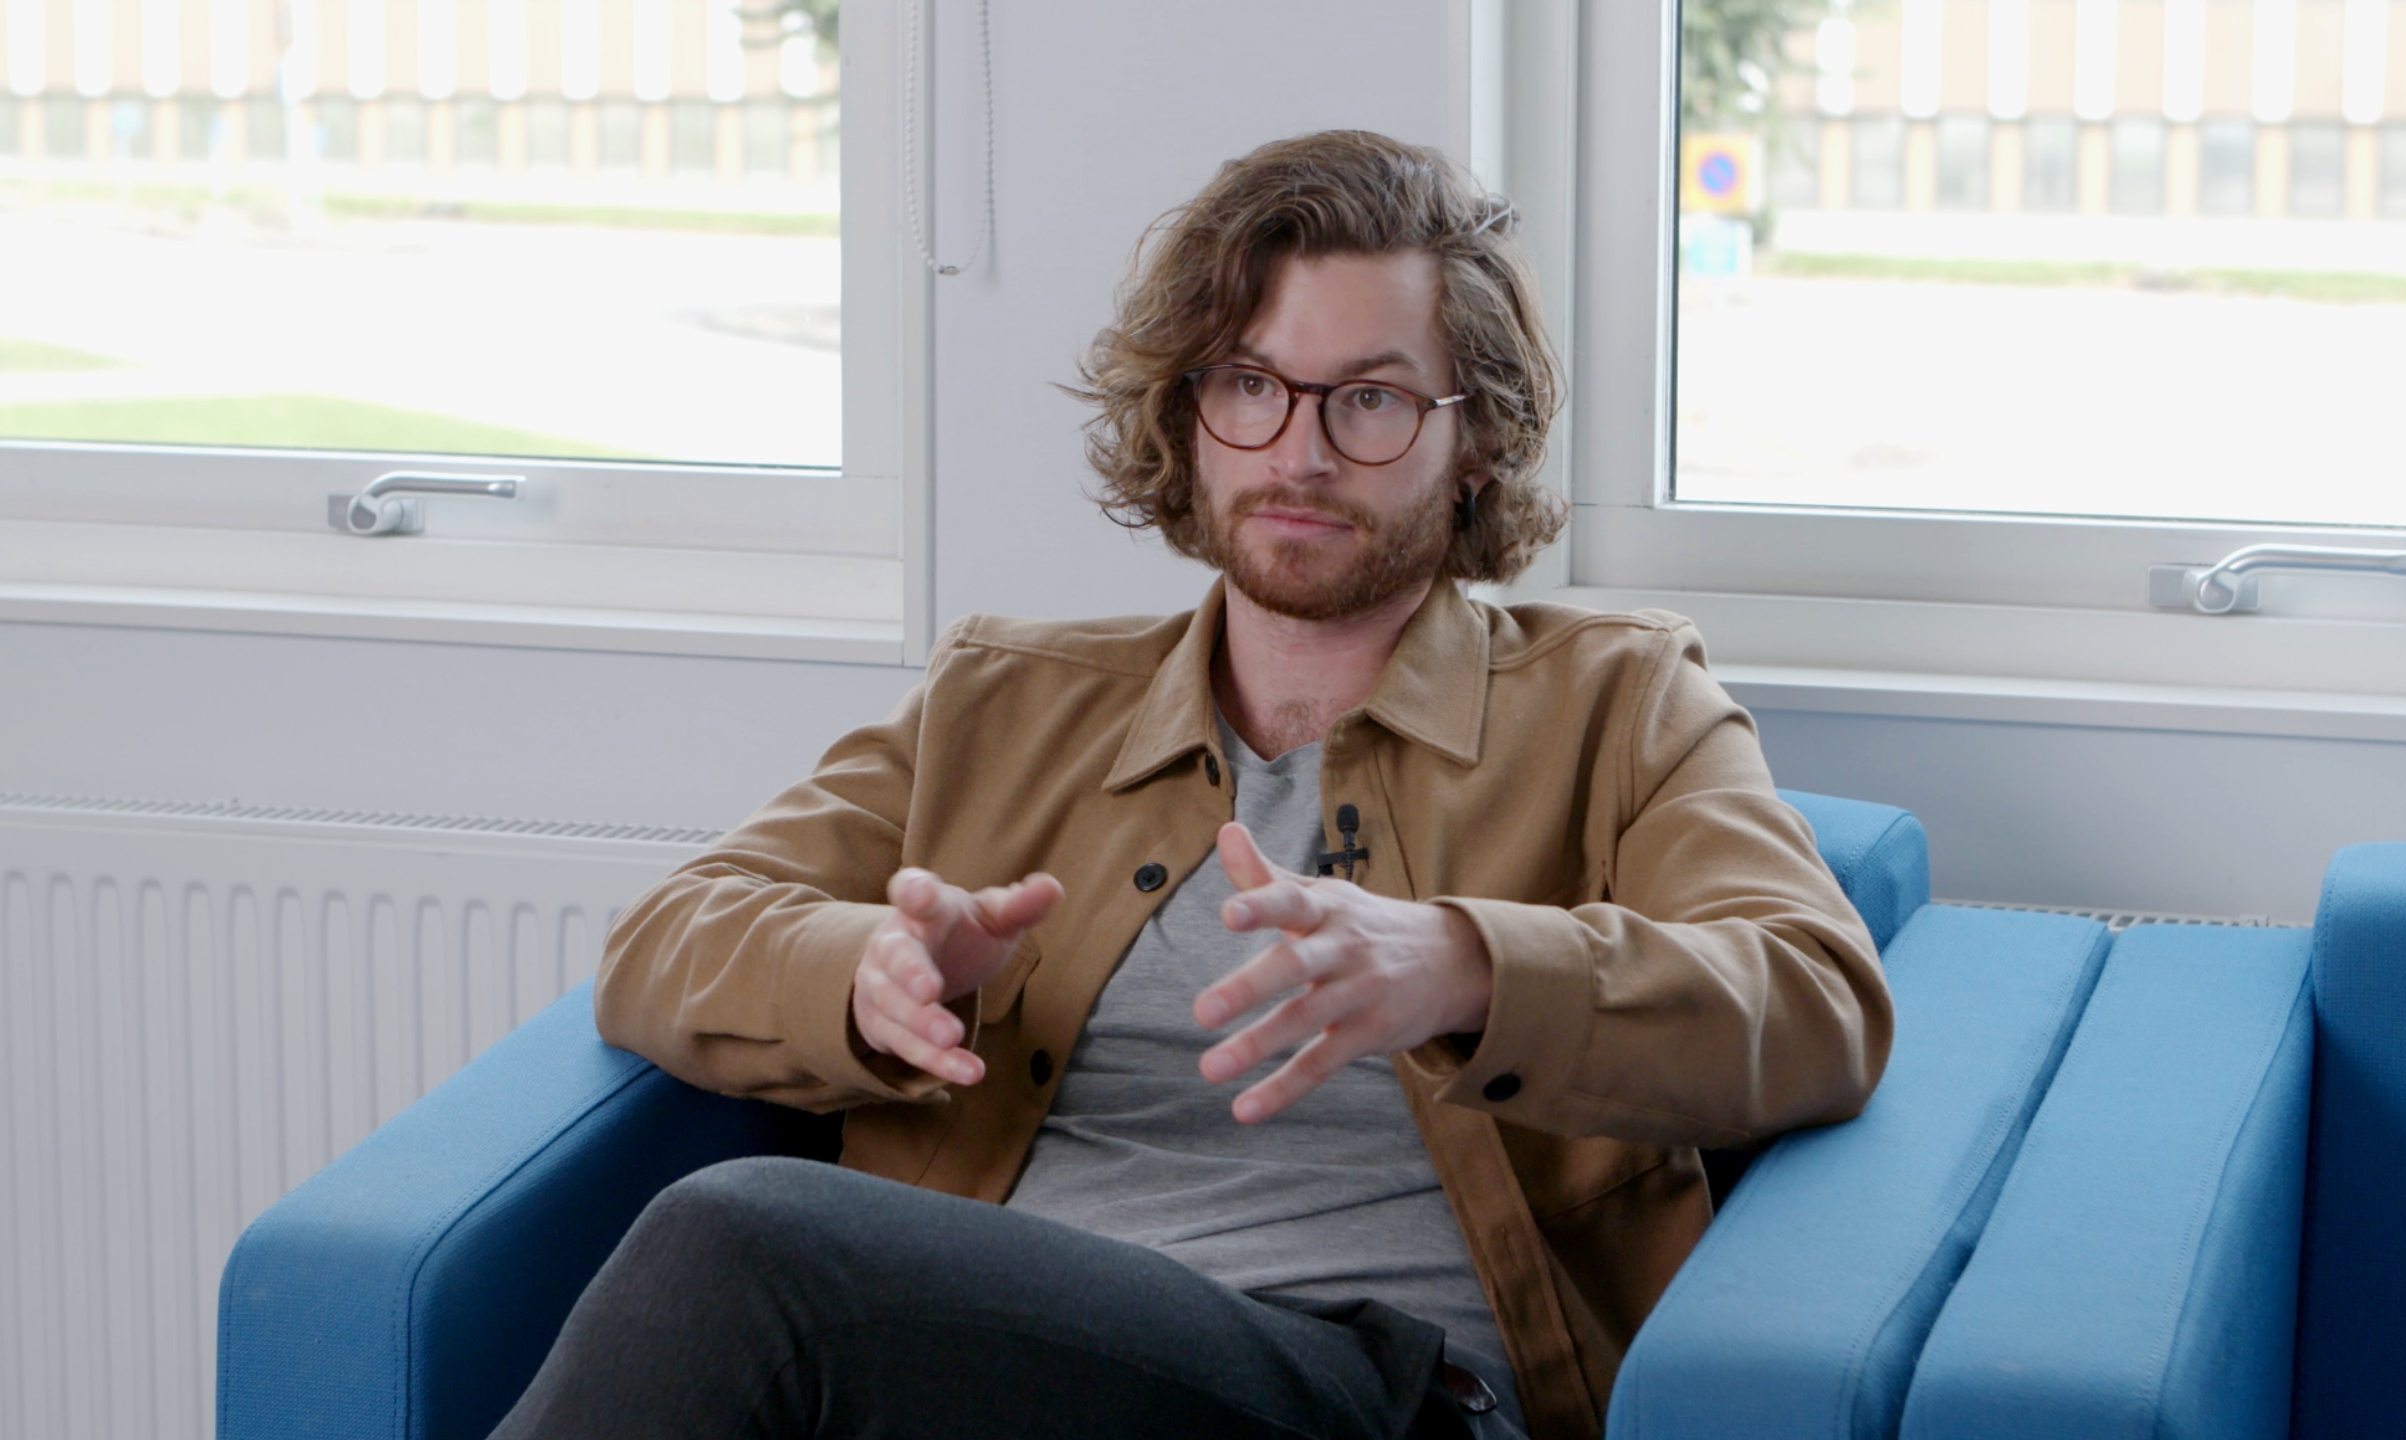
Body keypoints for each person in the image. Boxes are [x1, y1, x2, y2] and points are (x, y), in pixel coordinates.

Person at [492, 130, 1892, 1440]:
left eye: (1373, 401)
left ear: (1474, 443)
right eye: (1249, 386)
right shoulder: (1006, 701)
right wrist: (864, 969)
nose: (1299, 451)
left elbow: (1817, 1001)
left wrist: (1467, 965)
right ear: (1191, 413)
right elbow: (669, 937)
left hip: (1371, 1392)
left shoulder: (1620, 703)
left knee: (741, 1246)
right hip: (968, 1370)